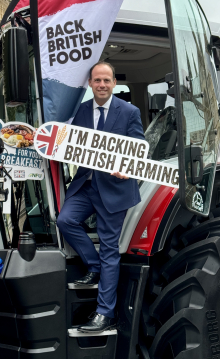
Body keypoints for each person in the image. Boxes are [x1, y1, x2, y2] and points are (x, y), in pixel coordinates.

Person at [57, 61, 145, 333]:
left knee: (110, 249)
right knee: (65, 220)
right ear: (91, 84)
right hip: (87, 184)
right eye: (97, 80)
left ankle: (105, 313)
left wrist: (127, 167)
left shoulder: (129, 111)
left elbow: (139, 147)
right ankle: (93, 266)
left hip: (115, 188)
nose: (102, 85)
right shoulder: (81, 111)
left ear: (114, 83)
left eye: (107, 80)